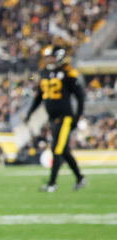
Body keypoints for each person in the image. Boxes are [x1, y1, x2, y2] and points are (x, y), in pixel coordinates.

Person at [28, 45, 86, 192]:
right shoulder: (44, 73)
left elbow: (80, 97)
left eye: (51, 57)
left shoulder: (68, 73)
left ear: (58, 57)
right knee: (64, 151)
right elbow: (38, 96)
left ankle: (52, 183)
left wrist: (77, 117)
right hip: (52, 119)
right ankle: (80, 178)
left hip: (65, 117)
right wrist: (30, 113)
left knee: (57, 149)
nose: (48, 60)